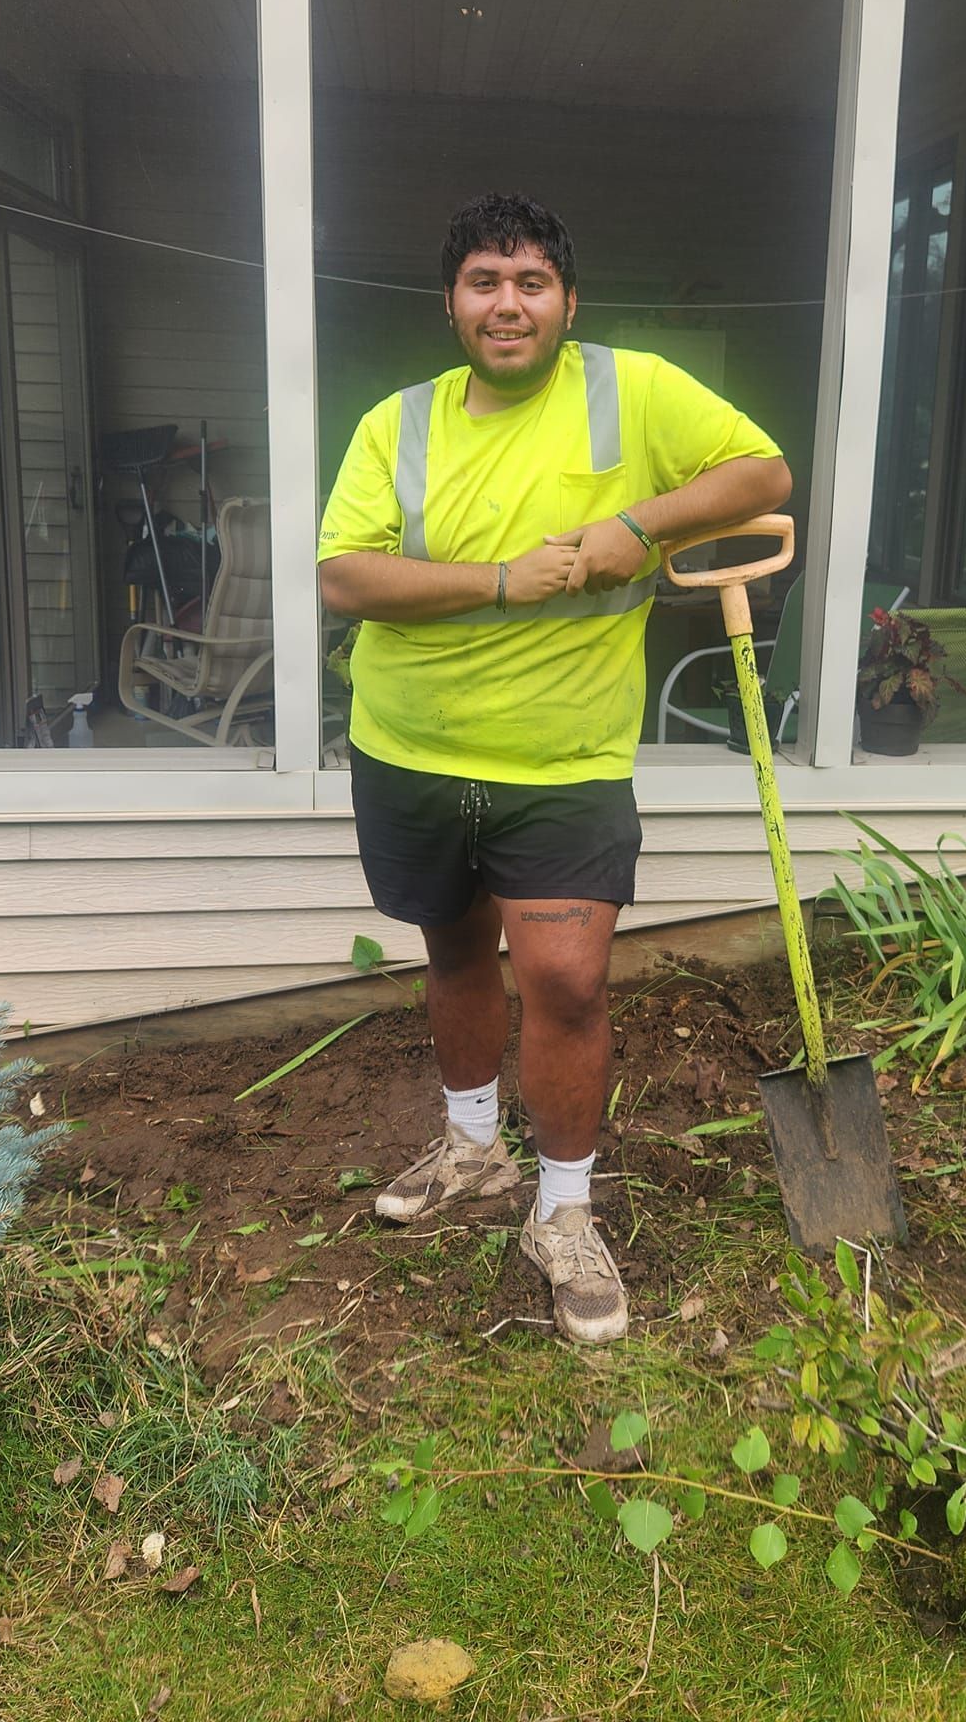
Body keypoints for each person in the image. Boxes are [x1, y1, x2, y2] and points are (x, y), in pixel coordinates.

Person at [317, 193, 790, 1344]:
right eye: (484, 280)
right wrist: (496, 580)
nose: (507, 302)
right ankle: (474, 1147)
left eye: (531, 281)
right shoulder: (400, 423)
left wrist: (641, 525)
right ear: (452, 302)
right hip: (410, 749)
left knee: (570, 982)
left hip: (565, 760)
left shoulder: (633, 391)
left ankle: (565, 1208)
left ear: (568, 303)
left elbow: (761, 473)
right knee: (453, 949)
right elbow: (345, 576)